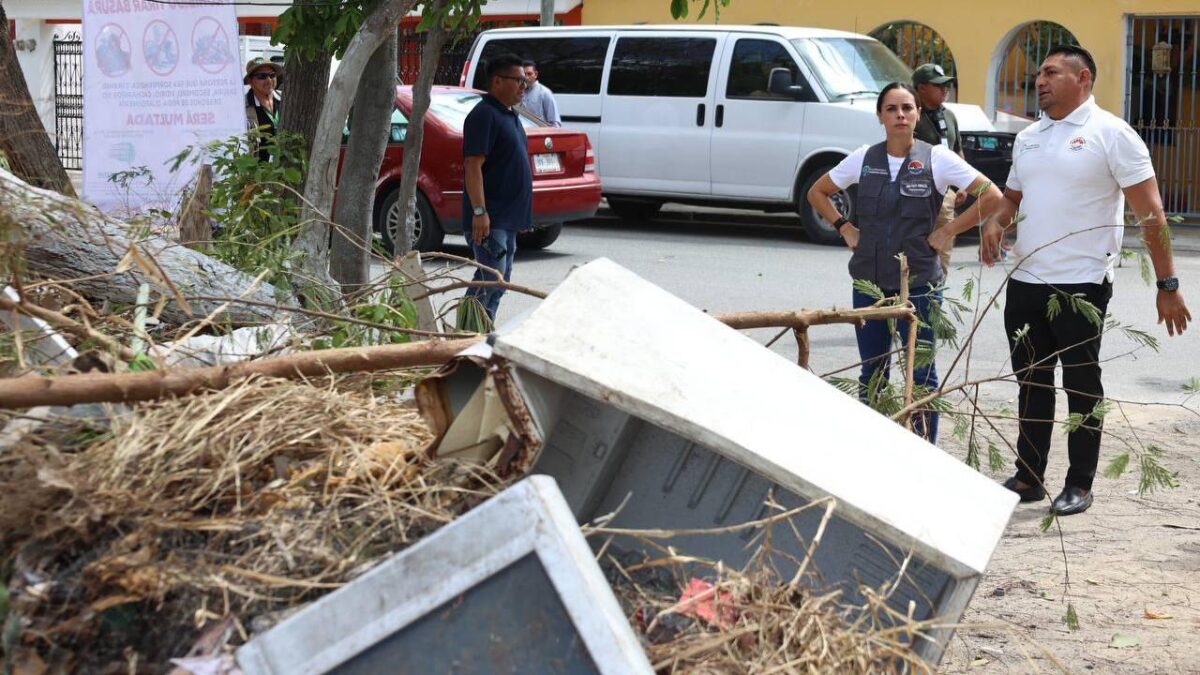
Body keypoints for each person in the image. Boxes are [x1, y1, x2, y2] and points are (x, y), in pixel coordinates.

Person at [982, 45, 1191, 516]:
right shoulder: (1029, 137)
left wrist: (1168, 285)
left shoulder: (1112, 135)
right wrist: (997, 221)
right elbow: (1012, 196)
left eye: (1051, 72)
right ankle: (1029, 476)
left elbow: (1151, 215)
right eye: (1038, 73)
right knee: (1031, 381)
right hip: (1026, 279)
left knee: (1081, 384)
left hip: (1081, 284)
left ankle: (1079, 483)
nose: (1040, 80)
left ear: (1084, 78)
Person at [808, 82, 1002, 444]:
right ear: (880, 116)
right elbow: (816, 192)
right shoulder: (864, 158)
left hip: (920, 286)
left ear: (917, 115)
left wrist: (948, 232)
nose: (901, 115)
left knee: (922, 373)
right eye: (892, 109)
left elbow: (991, 196)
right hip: (869, 285)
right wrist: (845, 227)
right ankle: (875, 448)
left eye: (908, 108)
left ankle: (922, 452)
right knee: (873, 373)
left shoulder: (938, 159)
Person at [461, 53, 534, 321]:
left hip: (508, 219)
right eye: (518, 81)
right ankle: (466, 332)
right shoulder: (484, 115)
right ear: (497, 81)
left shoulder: (510, 116)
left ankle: (482, 330)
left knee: (501, 280)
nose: (523, 87)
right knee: (490, 277)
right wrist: (479, 211)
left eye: (525, 82)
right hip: (490, 219)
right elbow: (472, 165)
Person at [912, 63, 965, 275]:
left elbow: (957, 150)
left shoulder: (949, 115)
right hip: (916, 193)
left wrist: (962, 184)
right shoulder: (909, 115)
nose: (945, 90)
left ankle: (936, 298)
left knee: (942, 253)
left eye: (947, 86)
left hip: (945, 196)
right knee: (914, 253)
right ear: (922, 88)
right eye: (939, 86)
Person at [243, 58, 282, 162]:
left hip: (287, 169)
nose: (269, 80)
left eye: (272, 75)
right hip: (258, 173)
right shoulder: (242, 108)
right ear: (250, 81)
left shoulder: (287, 99)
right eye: (262, 76)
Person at [520, 60, 561, 127]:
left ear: (536, 74)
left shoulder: (544, 93)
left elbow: (555, 123)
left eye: (529, 74)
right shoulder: (516, 92)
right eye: (524, 74)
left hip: (539, 135)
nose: (526, 77)